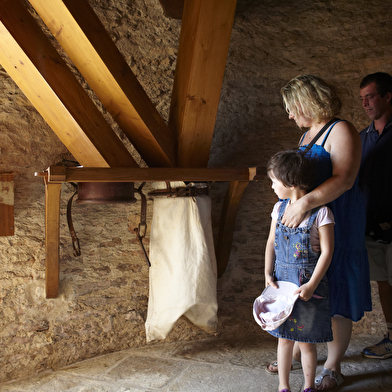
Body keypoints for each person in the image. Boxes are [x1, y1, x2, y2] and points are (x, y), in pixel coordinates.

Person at [266, 75, 372, 391]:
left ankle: (332, 366)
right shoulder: (307, 137)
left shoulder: (341, 130)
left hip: (337, 218)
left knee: (336, 291)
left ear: (307, 101)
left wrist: (304, 206)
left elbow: (345, 178)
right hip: (307, 224)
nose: (289, 115)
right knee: (302, 287)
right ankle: (298, 346)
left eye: (291, 107)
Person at [265, 149, 335, 392]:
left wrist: (312, 284)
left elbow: (326, 252)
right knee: (284, 339)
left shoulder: (321, 213)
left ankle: (308, 386)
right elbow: (271, 243)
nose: (272, 186)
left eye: (274, 181)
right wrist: (267, 273)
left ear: (291, 182)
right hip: (282, 286)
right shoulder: (278, 209)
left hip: (308, 289)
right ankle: (283, 386)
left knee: (306, 342)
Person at [358, 72, 392, 359]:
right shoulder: (362, 138)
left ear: (388, 96)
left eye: (370, 96)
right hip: (371, 227)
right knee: (384, 281)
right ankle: (391, 337)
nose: (366, 103)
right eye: (362, 99)